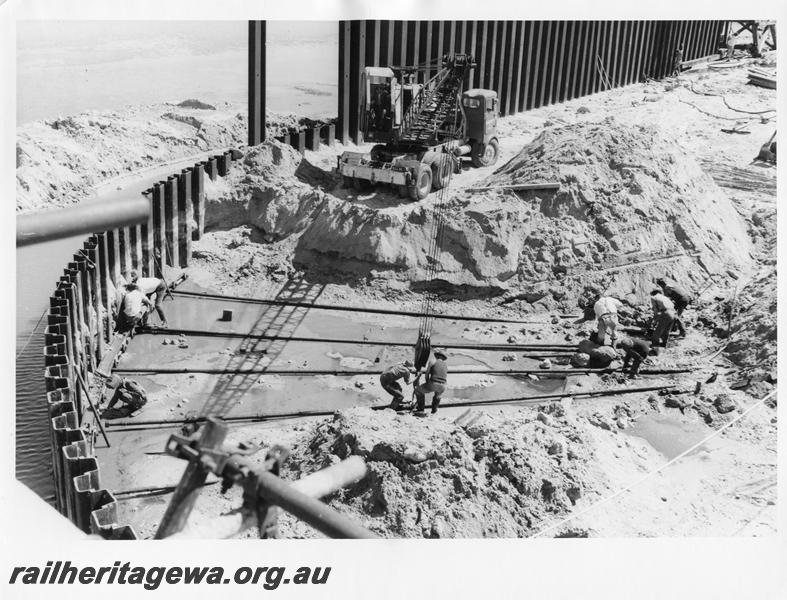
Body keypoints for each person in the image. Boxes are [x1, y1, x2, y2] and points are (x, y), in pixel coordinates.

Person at [414, 348, 448, 416]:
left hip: (433, 383)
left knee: (418, 390)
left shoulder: (432, 361)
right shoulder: (445, 364)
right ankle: (434, 411)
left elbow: (427, 374)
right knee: (438, 395)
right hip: (443, 385)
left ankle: (421, 410)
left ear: (436, 356)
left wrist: (427, 383)